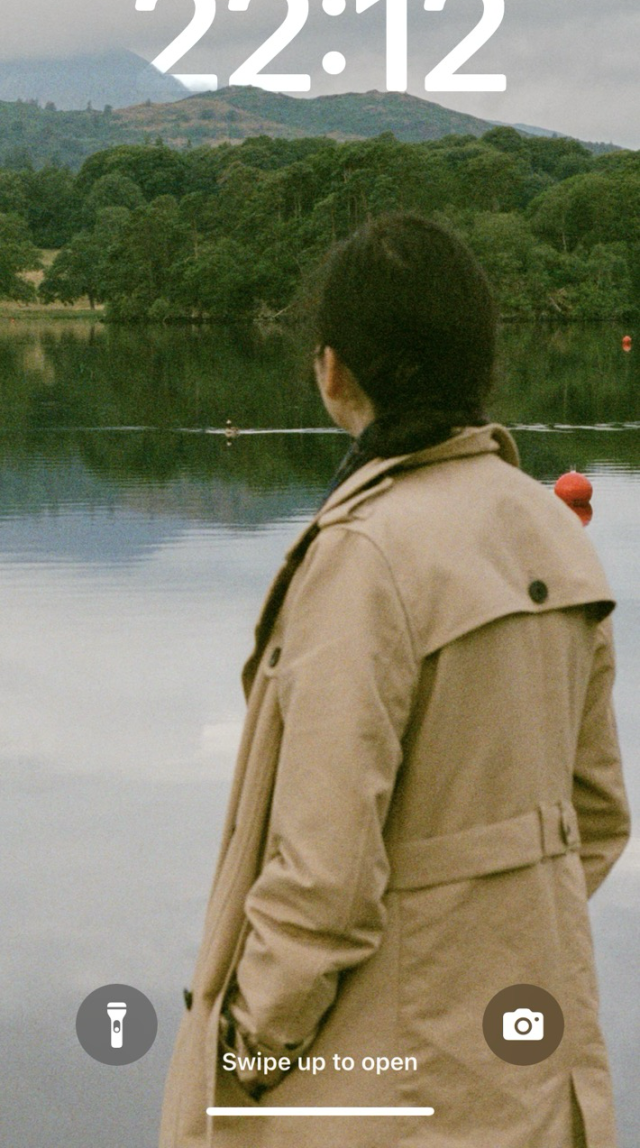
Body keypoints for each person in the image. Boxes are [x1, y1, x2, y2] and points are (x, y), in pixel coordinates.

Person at [159, 214, 630, 1148]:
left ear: (334, 369)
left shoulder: (367, 552)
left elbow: (322, 880)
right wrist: (479, 936)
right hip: (532, 1082)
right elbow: (599, 815)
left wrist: (245, 1059)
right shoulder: (547, 530)